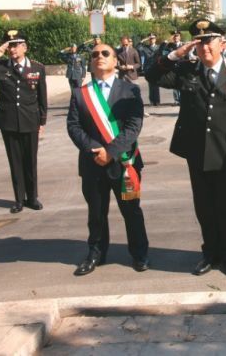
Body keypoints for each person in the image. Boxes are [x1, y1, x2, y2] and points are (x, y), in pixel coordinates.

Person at [145, 19, 226, 277]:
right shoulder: (187, 70)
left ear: (222, 43)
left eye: (209, 41)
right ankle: (209, 253)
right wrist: (175, 54)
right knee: (204, 206)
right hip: (196, 150)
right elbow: (151, 75)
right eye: (199, 42)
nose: (204, 47)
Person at [67, 42, 149, 276]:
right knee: (96, 212)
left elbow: (134, 126)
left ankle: (140, 253)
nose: (99, 57)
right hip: (93, 163)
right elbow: (73, 126)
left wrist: (110, 151)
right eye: (94, 55)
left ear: (115, 61)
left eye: (105, 53)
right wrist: (95, 149)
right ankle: (96, 253)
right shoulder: (81, 93)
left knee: (131, 211)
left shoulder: (130, 90)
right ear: (91, 62)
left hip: (124, 162)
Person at [0, 30, 47, 213]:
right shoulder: (0, 66)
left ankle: (33, 198)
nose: (12, 49)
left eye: (15, 45)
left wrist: (42, 122)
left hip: (30, 119)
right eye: (9, 45)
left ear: (24, 47)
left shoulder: (37, 68)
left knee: (31, 161)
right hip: (9, 120)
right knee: (15, 161)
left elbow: (42, 97)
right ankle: (19, 199)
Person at [138, 34, 161, 106]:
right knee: (150, 85)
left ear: (155, 39)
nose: (152, 40)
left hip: (156, 67)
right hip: (148, 68)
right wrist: (143, 40)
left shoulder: (158, 47)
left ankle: (157, 101)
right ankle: (151, 101)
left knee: (156, 84)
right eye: (150, 39)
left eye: (153, 38)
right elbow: (138, 48)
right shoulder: (145, 47)